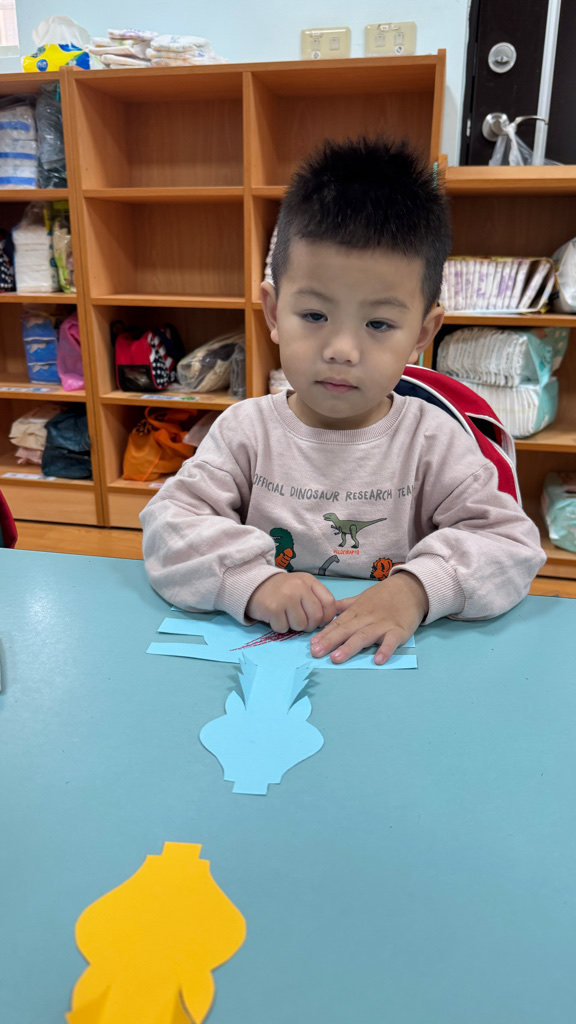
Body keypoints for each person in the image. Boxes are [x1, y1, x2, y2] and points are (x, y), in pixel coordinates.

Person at [141, 137, 545, 665]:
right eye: (314, 315)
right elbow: (169, 525)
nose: (342, 350)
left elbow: (510, 545)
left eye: (379, 323)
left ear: (423, 333)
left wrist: (416, 591)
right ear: (273, 311)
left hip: (391, 667)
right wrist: (250, 581)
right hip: (267, 658)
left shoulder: (434, 440)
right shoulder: (245, 432)